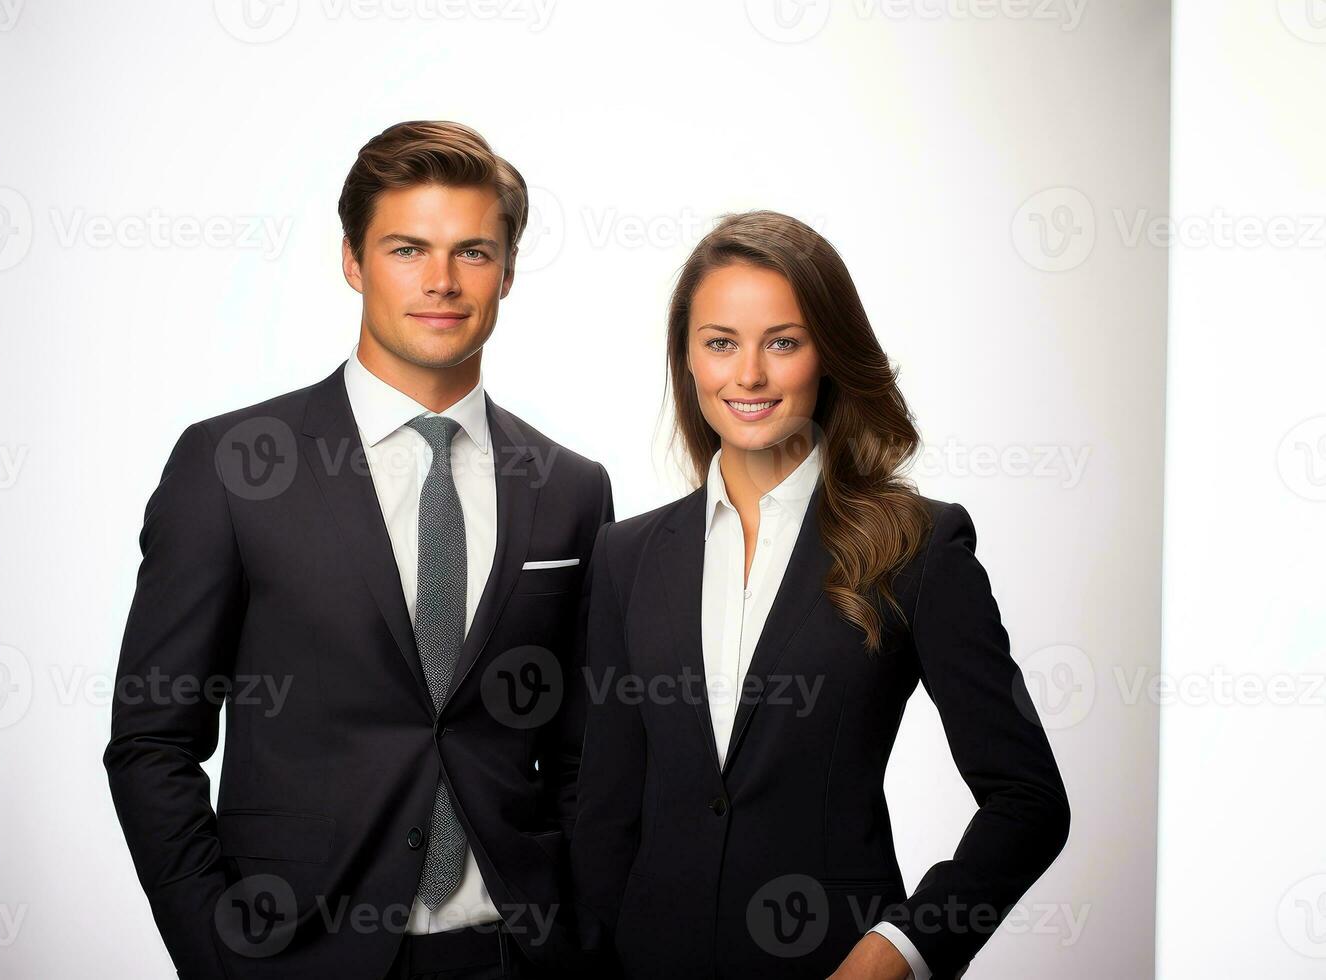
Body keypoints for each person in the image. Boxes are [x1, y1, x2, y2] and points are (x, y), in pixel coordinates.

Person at [104, 120, 613, 980]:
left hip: (516, 956)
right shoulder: (231, 467)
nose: (442, 282)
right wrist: (218, 955)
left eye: (474, 252)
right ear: (353, 260)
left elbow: (583, 758)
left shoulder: (570, 487)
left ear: (509, 272)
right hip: (299, 954)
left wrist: (584, 939)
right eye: (408, 248)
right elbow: (153, 740)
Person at [570, 211, 1070, 980]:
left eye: (783, 341)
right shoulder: (626, 556)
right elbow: (604, 815)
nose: (749, 376)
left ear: (827, 354)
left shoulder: (917, 545)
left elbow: (1029, 802)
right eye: (720, 343)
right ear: (688, 360)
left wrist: (899, 950)